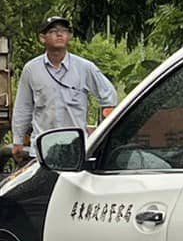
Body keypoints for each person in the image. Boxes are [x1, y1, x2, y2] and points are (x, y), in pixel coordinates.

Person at [11, 15, 118, 160]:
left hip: (76, 147)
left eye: (64, 31)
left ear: (70, 36)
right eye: (53, 31)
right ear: (42, 38)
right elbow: (23, 107)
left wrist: (102, 132)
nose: (59, 34)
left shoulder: (84, 67)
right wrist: (18, 141)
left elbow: (109, 97)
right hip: (43, 149)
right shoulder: (31, 69)